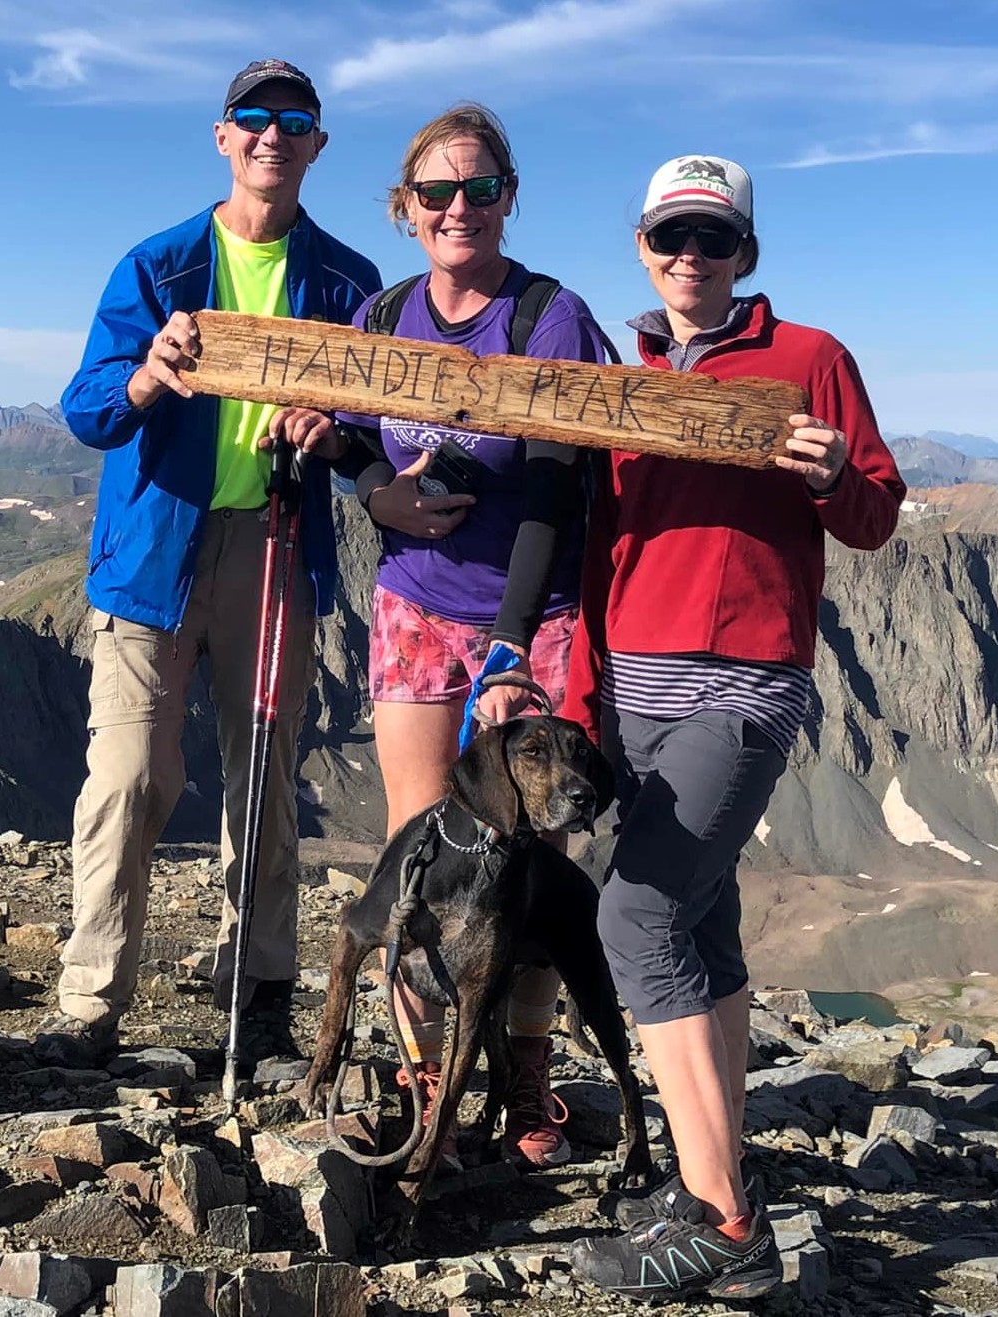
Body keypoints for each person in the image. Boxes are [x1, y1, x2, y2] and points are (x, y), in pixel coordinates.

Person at [563, 156, 905, 1300]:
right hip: (630, 690)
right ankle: (716, 1165)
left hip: (741, 683)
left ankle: (720, 1222)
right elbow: (599, 533)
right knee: (699, 921)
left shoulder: (808, 359)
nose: (688, 258)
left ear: (743, 253)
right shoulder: (624, 372)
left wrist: (821, 478)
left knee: (637, 912)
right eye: (669, 235)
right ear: (642, 245)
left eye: (712, 238)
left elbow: (871, 515)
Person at [38, 59, 381, 1069]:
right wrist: (149, 373)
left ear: (316, 145)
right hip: (154, 551)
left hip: (274, 547)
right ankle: (91, 1002)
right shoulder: (159, 266)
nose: (271, 135)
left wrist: (336, 439)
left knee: (266, 776)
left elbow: (369, 429)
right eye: (253, 119)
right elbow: (88, 410)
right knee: (129, 778)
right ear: (223, 137)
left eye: (293, 121)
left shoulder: (347, 281)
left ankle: (259, 985)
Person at [334, 104, 609, 1170]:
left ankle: (526, 1081)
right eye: (436, 193)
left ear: (507, 197)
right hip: (411, 600)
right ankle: (425, 1084)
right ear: (405, 210)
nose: (458, 208)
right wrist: (374, 493)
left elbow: (553, 486)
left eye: (478, 189)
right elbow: (347, 434)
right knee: (419, 850)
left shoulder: (548, 316)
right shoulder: (385, 312)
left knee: (524, 859)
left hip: (527, 616)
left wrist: (504, 647)